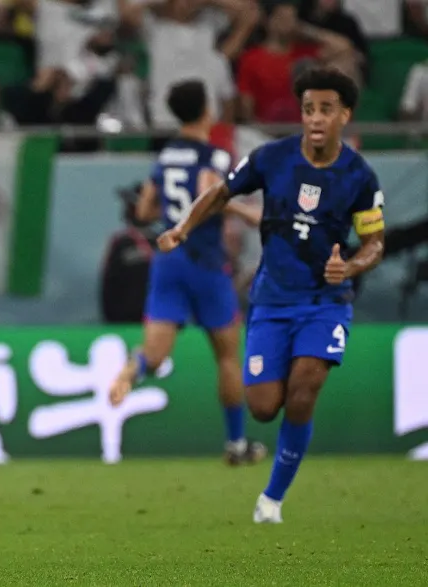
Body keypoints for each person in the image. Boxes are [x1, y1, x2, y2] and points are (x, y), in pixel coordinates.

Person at [156, 66, 385, 523]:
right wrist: (183, 227)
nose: (315, 118)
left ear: (345, 115)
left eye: (326, 109)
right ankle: (265, 465)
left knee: (306, 387)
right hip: (273, 301)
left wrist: (352, 265)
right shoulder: (271, 158)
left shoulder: (360, 177)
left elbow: (376, 243)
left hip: (325, 301)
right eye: (308, 110)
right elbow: (221, 193)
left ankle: (272, 500)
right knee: (263, 407)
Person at [109, 80, 267, 466]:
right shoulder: (213, 156)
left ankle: (131, 371)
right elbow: (209, 192)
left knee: (157, 353)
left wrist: (157, 211)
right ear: (207, 111)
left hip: (168, 261)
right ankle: (235, 444)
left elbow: (146, 210)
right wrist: (247, 213)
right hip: (205, 260)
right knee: (228, 356)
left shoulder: (164, 158)